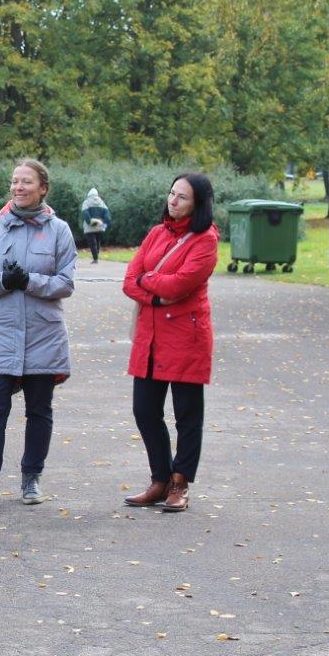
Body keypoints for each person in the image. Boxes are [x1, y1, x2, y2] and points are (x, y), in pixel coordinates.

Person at [0, 159, 76, 510]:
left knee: (39, 409)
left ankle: (31, 478)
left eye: (26, 182)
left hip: (43, 335)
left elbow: (66, 283)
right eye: (15, 182)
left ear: (42, 189)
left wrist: (31, 282)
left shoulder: (59, 231)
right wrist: (3, 281)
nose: (18, 187)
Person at [121, 173, 219, 513]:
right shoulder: (156, 233)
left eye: (182, 197)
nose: (173, 201)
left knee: (187, 415)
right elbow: (128, 281)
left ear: (198, 204)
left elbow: (180, 285)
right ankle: (159, 479)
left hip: (186, 337)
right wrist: (154, 290)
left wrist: (148, 281)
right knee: (145, 410)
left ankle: (180, 483)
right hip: (150, 337)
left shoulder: (205, 241)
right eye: (172, 193)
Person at [80, 187, 111, 264]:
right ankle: (96, 256)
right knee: (98, 241)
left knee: (92, 243)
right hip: (100, 226)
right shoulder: (102, 202)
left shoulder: (86, 202)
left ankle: (95, 258)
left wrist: (90, 221)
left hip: (89, 227)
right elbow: (107, 215)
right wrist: (104, 222)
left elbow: (85, 213)